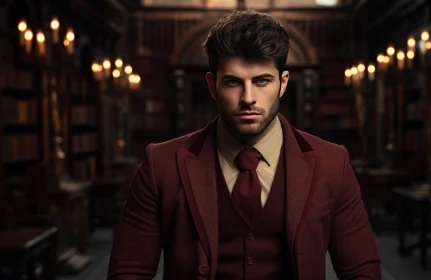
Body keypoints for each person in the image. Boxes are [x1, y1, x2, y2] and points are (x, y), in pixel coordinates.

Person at [108, 9, 381, 280]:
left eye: (262, 81)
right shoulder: (161, 164)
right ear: (212, 85)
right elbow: (129, 272)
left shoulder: (332, 162)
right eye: (233, 82)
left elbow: (361, 271)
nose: (248, 97)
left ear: (282, 83)